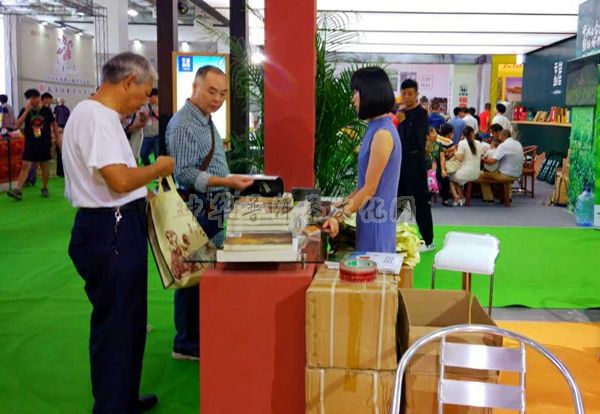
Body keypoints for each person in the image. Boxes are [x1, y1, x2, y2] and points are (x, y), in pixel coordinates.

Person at [63, 52, 174, 413]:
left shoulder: (95, 114)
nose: (145, 101)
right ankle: (113, 405)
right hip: (111, 229)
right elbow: (120, 179)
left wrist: (145, 194)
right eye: (145, 92)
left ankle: (120, 396)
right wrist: (158, 168)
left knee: (125, 320)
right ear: (128, 82)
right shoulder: (98, 117)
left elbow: (120, 180)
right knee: (118, 322)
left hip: (111, 225)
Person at [166, 65, 254, 361]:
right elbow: (184, 173)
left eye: (223, 93)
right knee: (192, 276)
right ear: (195, 87)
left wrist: (229, 180)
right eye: (212, 91)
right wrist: (226, 182)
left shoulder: (204, 119)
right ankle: (186, 343)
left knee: (206, 272)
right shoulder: (183, 125)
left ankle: (198, 335)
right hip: (196, 206)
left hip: (213, 205)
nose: (217, 99)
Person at [323, 67, 401, 253]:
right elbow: (363, 185)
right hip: (368, 220)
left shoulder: (382, 134)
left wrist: (339, 216)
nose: (353, 99)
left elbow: (370, 189)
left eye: (356, 92)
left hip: (376, 226)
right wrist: (340, 206)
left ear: (370, 93)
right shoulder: (374, 128)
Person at [396, 79, 434, 252]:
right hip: (400, 164)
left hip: (415, 164)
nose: (406, 97)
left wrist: (403, 123)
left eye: (410, 94)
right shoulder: (400, 112)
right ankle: (388, 236)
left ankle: (428, 241)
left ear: (417, 94)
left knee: (420, 203)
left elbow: (418, 141)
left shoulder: (421, 114)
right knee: (396, 200)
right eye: (404, 93)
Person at [6, 89, 59, 200]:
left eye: (35, 97)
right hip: (30, 143)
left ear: (39, 97)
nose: (33, 100)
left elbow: (54, 124)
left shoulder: (46, 110)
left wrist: (57, 138)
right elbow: (17, 125)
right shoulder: (25, 110)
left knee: (44, 166)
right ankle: (18, 190)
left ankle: (44, 187)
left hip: (44, 143)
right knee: (25, 165)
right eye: (31, 98)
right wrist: (26, 111)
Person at [481, 129, 524, 203]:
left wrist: (481, 160)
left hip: (506, 175)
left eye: (499, 135)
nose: (498, 137)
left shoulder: (503, 145)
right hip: (518, 173)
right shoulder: (518, 143)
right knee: (505, 172)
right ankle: (508, 197)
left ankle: (489, 198)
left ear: (502, 136)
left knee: (480, 175)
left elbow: (491, 162)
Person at [448, 126, 483, 206]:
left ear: (463, 134)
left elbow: (460, 158)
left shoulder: (462, 143)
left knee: (450, 177)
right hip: (477, 173)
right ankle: (461, 197)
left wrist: (454, 152)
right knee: (456, 177)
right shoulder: (479, 143)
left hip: (466, 173)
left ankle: (458, 197)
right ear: (473, 133)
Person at [436, 123, 455, 207]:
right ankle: (445, 200)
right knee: (445, 180)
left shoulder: (436, 137)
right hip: (441, 163)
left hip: (432, 162)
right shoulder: (449, 142)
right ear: (450, 133)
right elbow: (453, 151)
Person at [139, 88, 160, 165]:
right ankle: (149, 167)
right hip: (147, 135)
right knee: (143, 154)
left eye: (151, 96)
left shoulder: (161, 106)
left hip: (157, 135)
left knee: (157, 154)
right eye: (149, 96)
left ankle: (158, 170)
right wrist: (142, 116)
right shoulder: (145, 106)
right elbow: (142, 120)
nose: (149, 98)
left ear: (156, 96)